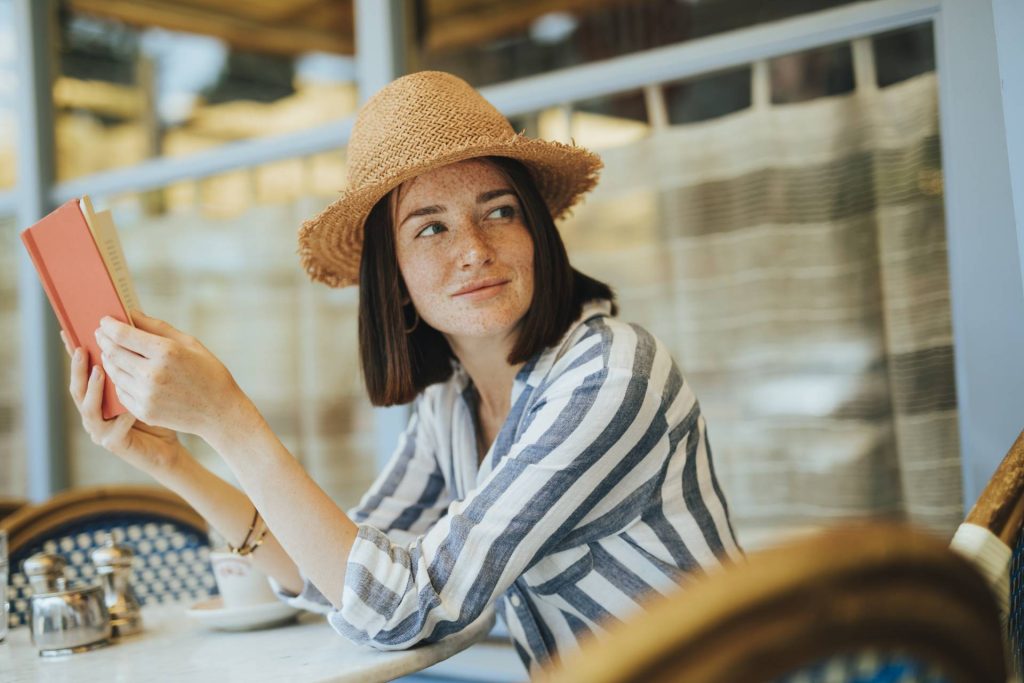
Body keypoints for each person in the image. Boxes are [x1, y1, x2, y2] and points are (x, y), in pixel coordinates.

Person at [64, 70, 741, 674]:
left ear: (536, 230)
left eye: (498, 211)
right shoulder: (451, 406)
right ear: (394, 281)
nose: (474, 249)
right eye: (431, 227)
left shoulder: (610, 373)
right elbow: (329, 572)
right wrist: (176, 461)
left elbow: (405, 608)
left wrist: (230, 416)